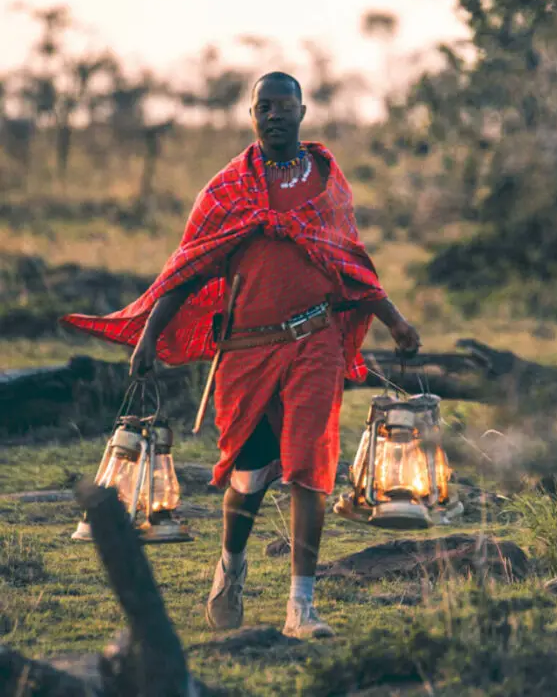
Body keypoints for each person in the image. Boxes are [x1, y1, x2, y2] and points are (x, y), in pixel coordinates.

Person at [60, 72, 421, 639]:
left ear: (303, 110)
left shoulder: (327, 183)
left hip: (316, 343)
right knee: (249, 477)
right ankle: (231, 566)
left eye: (284, 106)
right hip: (249, 351)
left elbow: (349, 262)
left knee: (310, 470)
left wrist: (394, 321)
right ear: (252, 116)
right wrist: (150, 336)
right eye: (263, 108)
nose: (274, 116)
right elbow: (187, 268)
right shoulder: (228, 190)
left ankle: (302, 606)